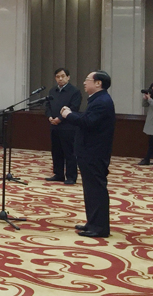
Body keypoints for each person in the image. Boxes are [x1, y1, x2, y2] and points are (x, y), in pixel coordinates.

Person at [54, 70, 116, 238]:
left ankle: (99, 228)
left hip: (94, 152)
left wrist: (68, 115)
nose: (84, 82)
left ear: (98, 83)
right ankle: (92, 223)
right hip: (89, 151)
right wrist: (72, 114)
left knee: (96, 190)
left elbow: (88, 122)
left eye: (88, 79)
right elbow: (88, 118)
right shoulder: (97, 99)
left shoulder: (102, 101)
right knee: (90, 190)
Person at [44, 68, 82, 184]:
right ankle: (58, 174)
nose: (60, 79)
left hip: (68, 127)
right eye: (57, 76)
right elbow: (48, 106)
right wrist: (50, 117)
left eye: (63, 76)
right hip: (54, 126)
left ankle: (71, 176)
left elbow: (74, 108)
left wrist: (60, 119)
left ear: (68, 77)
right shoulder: (52, 91)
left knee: (69, 152)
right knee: (56, 151)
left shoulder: (75, 91)